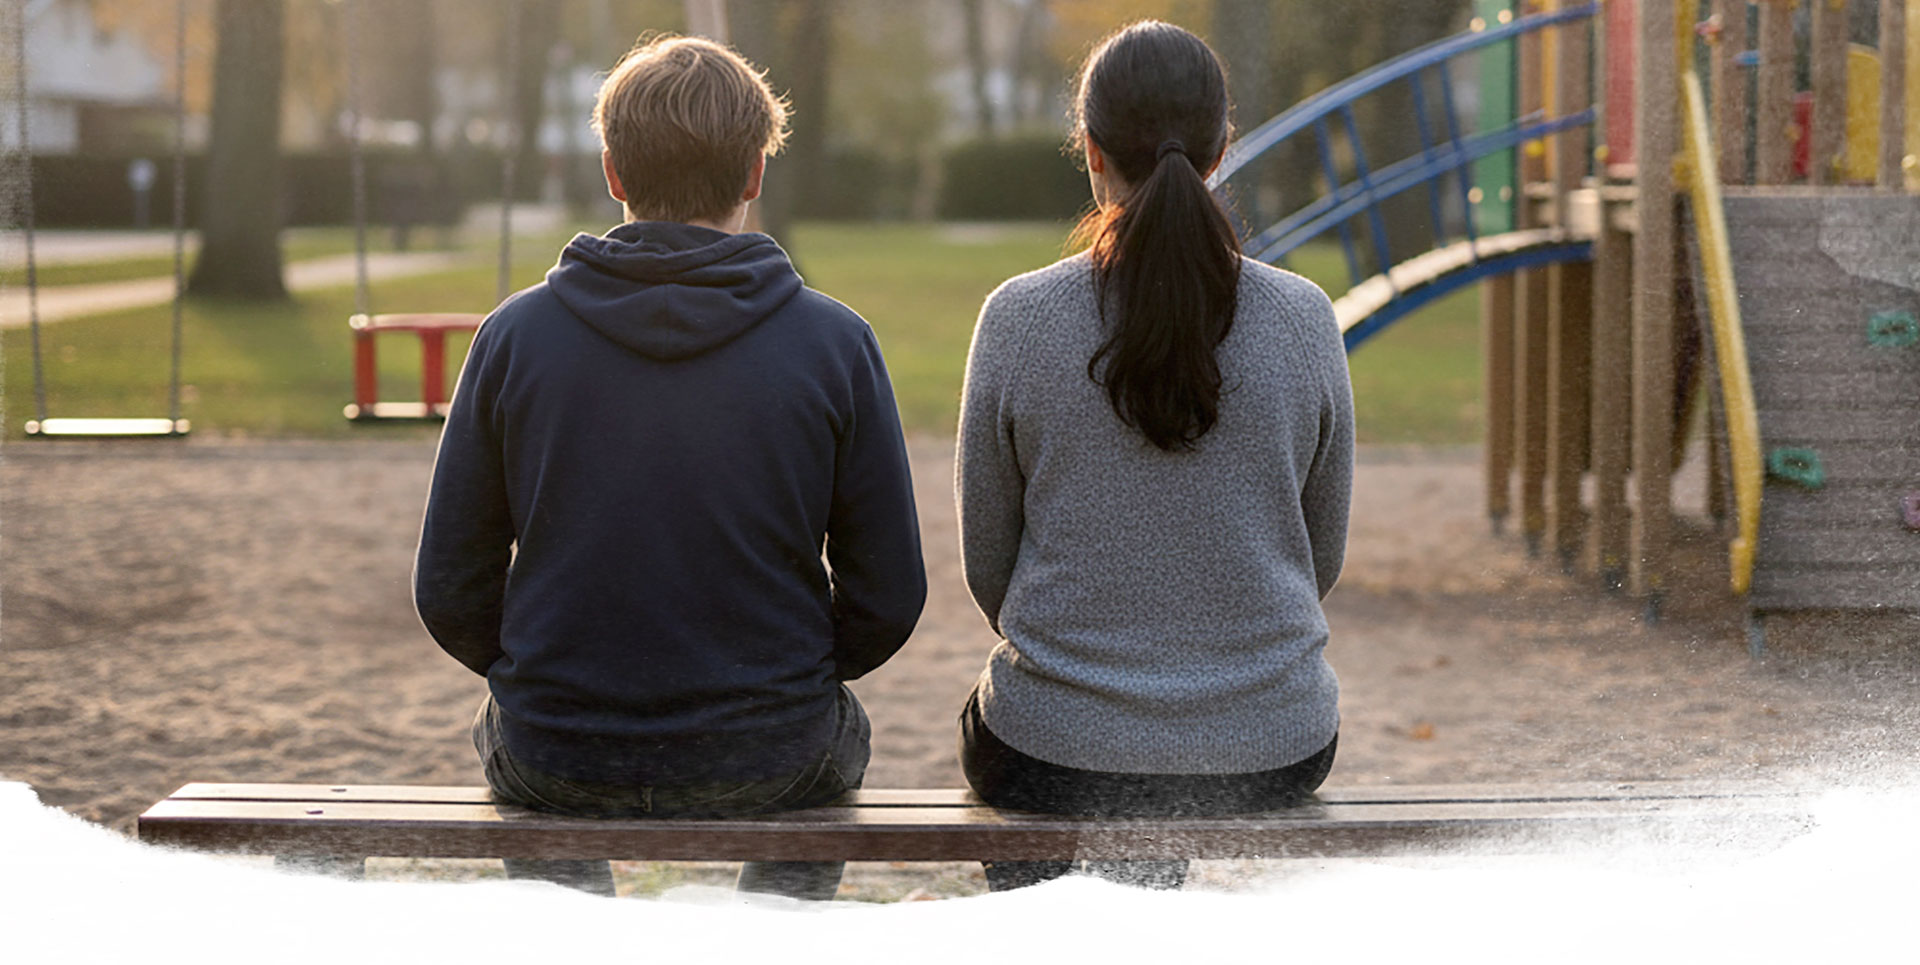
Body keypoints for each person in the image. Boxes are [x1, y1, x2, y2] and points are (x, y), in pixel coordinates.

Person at [414, 34, 926, 901]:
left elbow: (448, 586)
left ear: (613, 171)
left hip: (559, 747)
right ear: (755, 173)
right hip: (774, 747)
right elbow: (890, 595)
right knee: (836, 739)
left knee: (514, 739)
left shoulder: (513, 337)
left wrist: (546, 675)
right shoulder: (835, 342)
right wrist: (784, 678)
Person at [954, 20, 1353, 892]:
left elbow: (989, 567)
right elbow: (1319, 555)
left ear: (1092, 152)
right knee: (1128, 785)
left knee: (1021, 751)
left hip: (1054, 743)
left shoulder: (1019, 319)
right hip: (1270, 743)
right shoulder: (1304, 319)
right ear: (1222, 149)